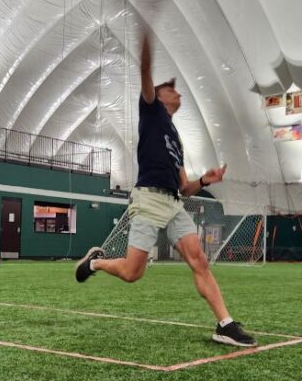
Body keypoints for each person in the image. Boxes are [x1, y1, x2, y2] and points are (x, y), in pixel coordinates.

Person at [75, 32, 257, 347]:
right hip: (147, 199)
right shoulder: (151, 111)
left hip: (174, 203)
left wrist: (205, 181)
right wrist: (146, 41)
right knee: (133, 273)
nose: (177, 92)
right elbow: (146, 73)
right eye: (171, 88)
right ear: (158, 95)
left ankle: (224, 324)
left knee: (198, 258)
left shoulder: (176, 138)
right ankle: (95, 262)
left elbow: (185, 188)